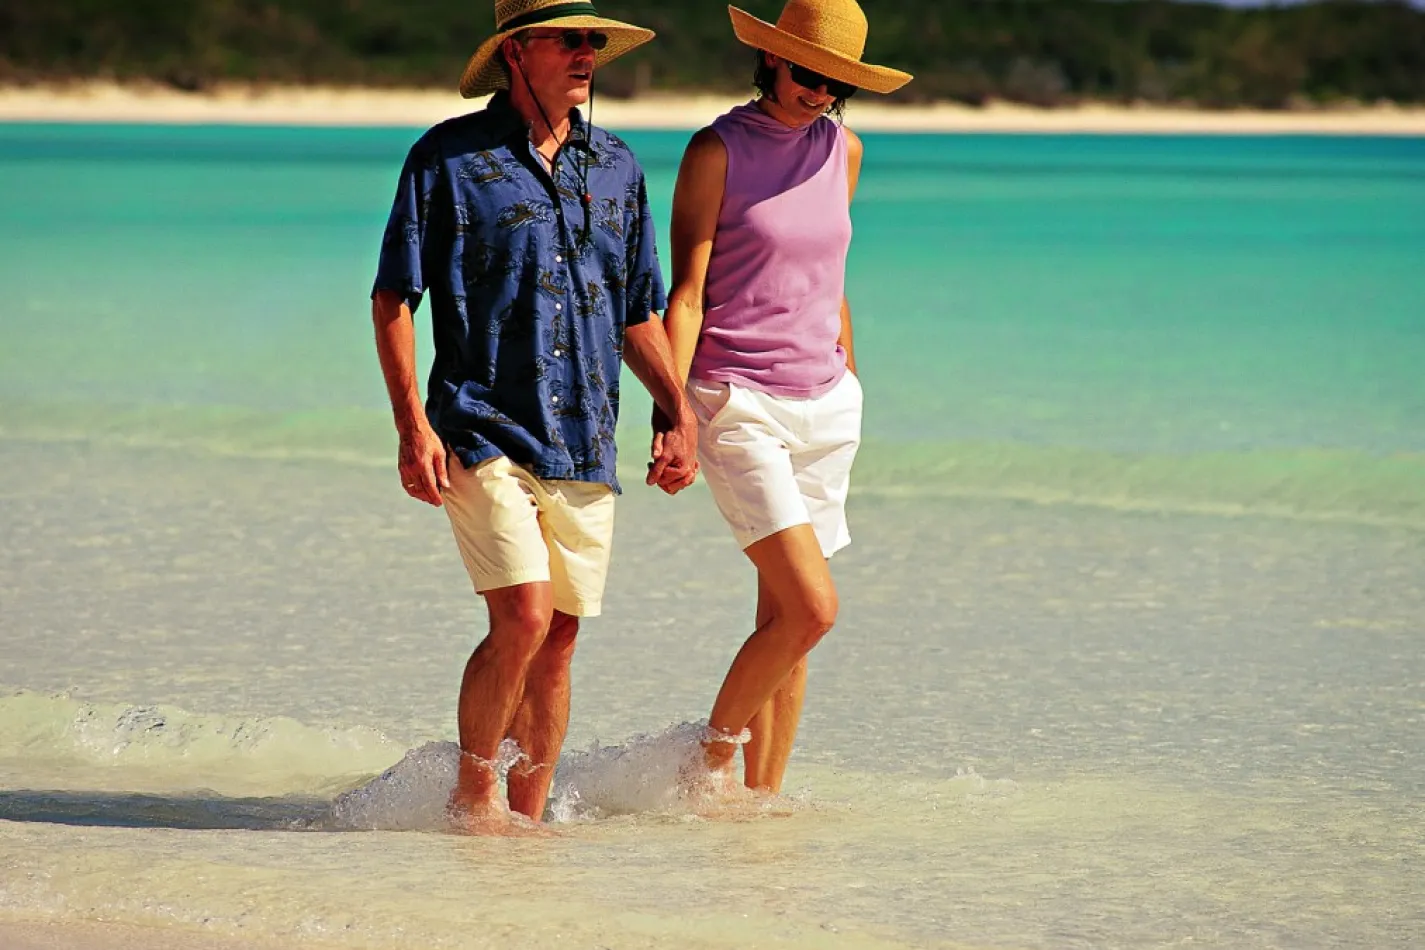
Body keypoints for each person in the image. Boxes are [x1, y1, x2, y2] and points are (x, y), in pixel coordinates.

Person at [370, 0, 698, 830]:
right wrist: (413, 427)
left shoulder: (619, 166)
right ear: (516, 51)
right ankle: (473, 802)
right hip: (478, 425)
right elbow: (392, 299)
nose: (587, 54)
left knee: (557, 641)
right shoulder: (447, 159)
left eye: (595, 41)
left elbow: (636, 310)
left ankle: (529, 820)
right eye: (568, 39)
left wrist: (678, 409)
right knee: (519, 613)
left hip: (586, 436)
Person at [663, 0, 911, 793]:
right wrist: (671, 414)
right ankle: (700, 766)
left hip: (826, 403)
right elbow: (688, 294)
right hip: (738, 401)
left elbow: (829, 272)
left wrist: (851, 374)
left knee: (784, 623)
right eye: (808, 73)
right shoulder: (717, 149)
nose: (819, 93)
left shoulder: (845, 149)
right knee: (812, 609)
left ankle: (759, 809)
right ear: (771, 59)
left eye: (837, 83)